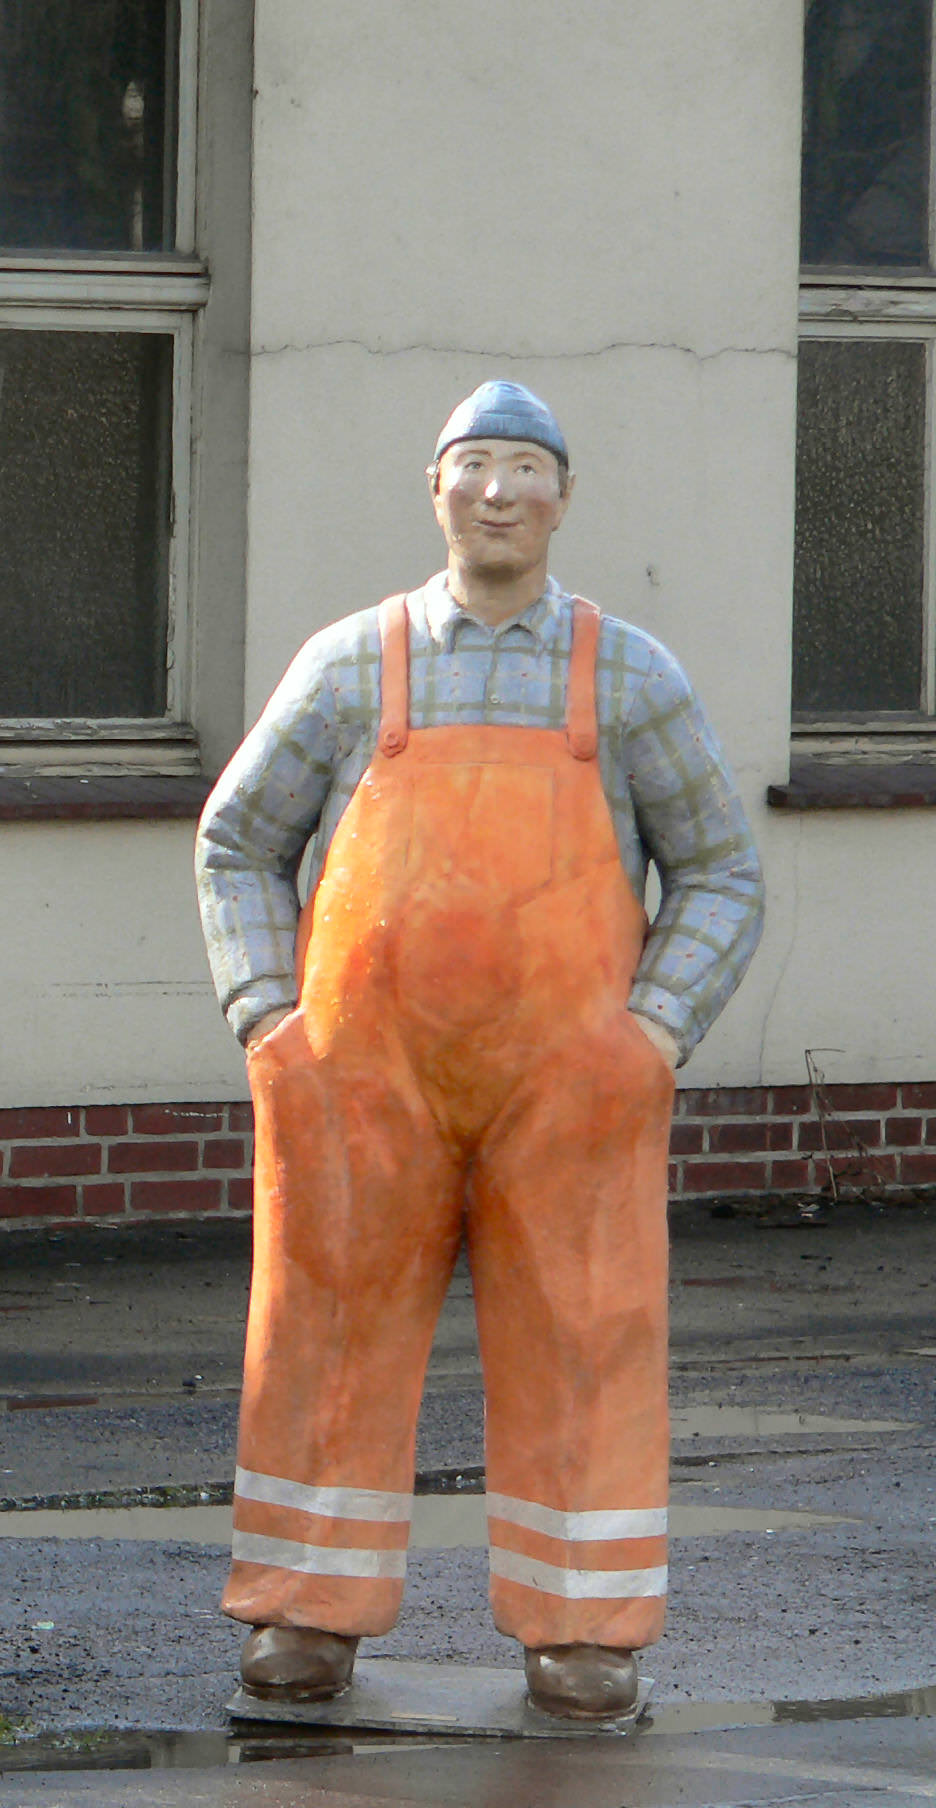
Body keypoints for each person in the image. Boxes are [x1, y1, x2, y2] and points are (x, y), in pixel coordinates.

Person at [194, 381, 765, 1719]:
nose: (497, 492)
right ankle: (303, 1614)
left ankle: (585, 1629)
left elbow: (721, 871)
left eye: (523, 468)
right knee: (324, 1329)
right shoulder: (352, 663)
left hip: (571, 1090)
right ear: (435, 489)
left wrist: (652, 1033)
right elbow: (237, 841)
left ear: (562, 498)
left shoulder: (630, 676)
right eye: (472, 466)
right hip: (360, 1083)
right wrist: (269, 1017)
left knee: (587, 1331)